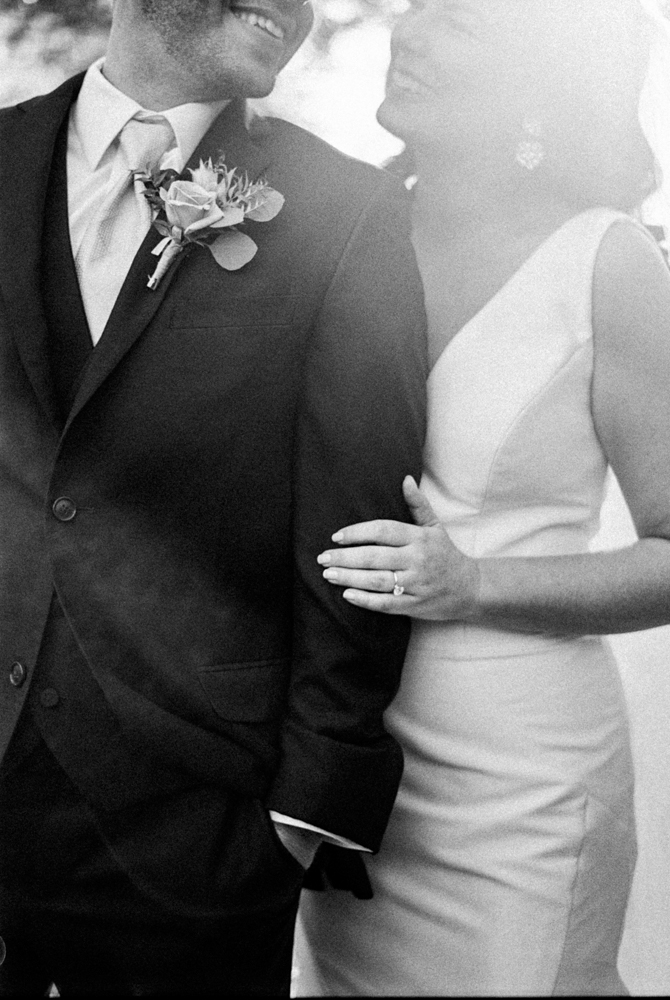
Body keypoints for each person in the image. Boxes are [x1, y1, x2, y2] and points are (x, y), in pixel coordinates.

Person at [0, 1, 427, 995]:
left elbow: (358, 514)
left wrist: (301, 813)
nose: (296, 7)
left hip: (199, 826)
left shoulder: (345, 211)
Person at [294, 0, 670, 995]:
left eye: (455, 24)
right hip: (347, 773)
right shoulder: (331, 239)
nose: (409, 34)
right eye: (414, 12)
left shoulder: (607, 263)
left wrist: (470, 582)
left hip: (519, 787)